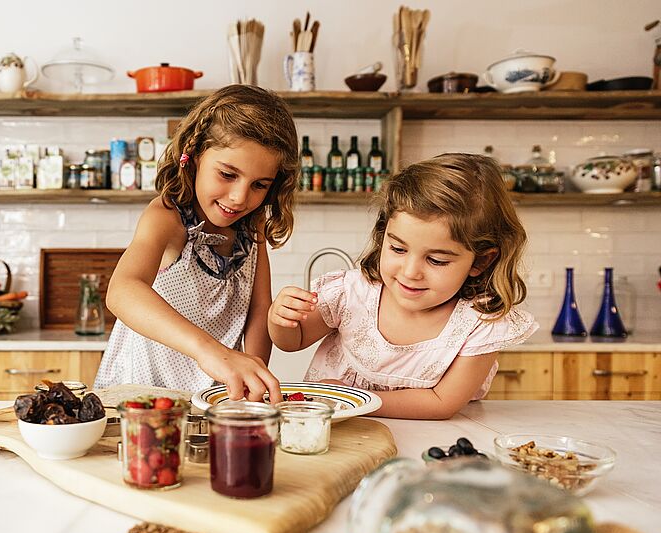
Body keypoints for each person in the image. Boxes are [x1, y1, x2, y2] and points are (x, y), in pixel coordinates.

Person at [268, 153, 538, 419]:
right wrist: (280, 319)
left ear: (480, 261)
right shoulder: (352, 293)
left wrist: (355, 399)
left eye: (436, 260)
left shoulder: (480, 324)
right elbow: (293, 341)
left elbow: (441, 403)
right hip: (334, 437)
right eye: (398, 248)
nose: (410, 272)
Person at [94, 85, 299, 402]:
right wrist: (210, 351)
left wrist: (252, 381)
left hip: (211, 399)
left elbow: (259, 311)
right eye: (228, 174)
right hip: (143, 396)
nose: (240, 197)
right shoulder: (166, 217)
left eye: (259, 185)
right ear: (195, 155)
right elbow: (122, 291)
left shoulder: (253, 225)